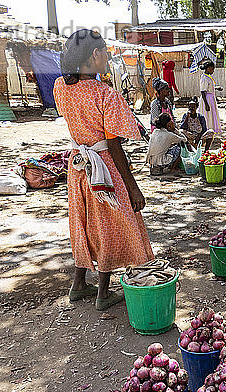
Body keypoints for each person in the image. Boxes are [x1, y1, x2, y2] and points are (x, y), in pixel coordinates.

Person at [53, 29, 153, 310]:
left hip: (77, 166)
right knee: (107, 225)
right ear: (95, 55)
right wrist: (133, 187)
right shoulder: (106, 95)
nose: (108, 56)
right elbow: (114, 146)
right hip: (103, 167)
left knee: (82, 221)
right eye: (105, 51)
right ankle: (104, 292)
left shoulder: (60, 87)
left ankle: (79, 284)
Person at [199, 60, 222, 137]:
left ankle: (211, 131)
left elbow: (208, 88)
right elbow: (203, 91)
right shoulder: (204, 78)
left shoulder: (208, 77)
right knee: (207, 115)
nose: (213, 71)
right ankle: (206, 131)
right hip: (207, 99)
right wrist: (206, 104)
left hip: (210, 99)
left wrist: (216, 88)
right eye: (212, 69)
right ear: (208, 68)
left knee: (211, 115)